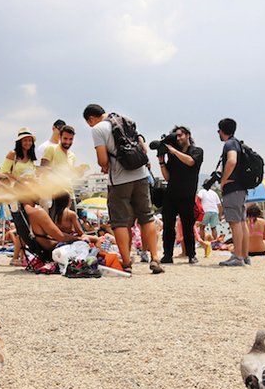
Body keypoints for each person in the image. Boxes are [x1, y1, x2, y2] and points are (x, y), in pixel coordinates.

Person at [82, 103, 162, 274]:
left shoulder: (98, 129)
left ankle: (126, 263)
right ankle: (155, 258)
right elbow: (143, 148)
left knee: (120, 222)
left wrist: (105, 166)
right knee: (147, 217)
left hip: (119, 180)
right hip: (140, 175)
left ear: (91, 119)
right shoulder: (126, 120)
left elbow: (103, 160)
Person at [157, 125, 204, 264]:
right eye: (175, 136)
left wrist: (174, 151)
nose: (177, 138)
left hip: (187, 194)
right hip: (171, 194)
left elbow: (191, 162)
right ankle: (167, 255)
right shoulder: (172, 155)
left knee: (188, 226)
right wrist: (161, 161)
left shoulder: (196, 151)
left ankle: (191, 254)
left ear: (187, 135)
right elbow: (167, 177)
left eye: (180, 135)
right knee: (168, 226)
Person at [217, 117, 249, 266]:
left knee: (235, 223)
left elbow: (232, 161)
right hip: (241, 188)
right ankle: (244, 255)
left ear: (221, 130)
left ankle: (237, 256)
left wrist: (223, 180)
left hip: (233, 188)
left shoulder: (230, 144)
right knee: (242, 222)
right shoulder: (238, 143)